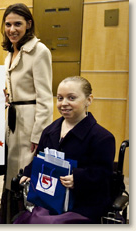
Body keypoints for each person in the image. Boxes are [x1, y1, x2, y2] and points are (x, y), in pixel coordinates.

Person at [14, 76, 116, 224]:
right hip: (49, 199)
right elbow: (39, 158)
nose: (64, 103)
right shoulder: (50, 131)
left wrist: (78, 178)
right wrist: (29, 172)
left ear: (89, 100)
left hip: (82, 204)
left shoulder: (102, 137)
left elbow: (103, 175)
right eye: (60, 98)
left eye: (72, 98)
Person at [0, 3, 53, 223]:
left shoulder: (39, 51)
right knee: (10, 177)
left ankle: (27, 222)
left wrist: (39, 135)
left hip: (30, 122)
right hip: (13, 120)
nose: (12, 29)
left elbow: (45, 98)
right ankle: (10, 220)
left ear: (29, 24)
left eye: (18, 24)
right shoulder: (10, 53)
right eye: (8, 24)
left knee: (26, 177)